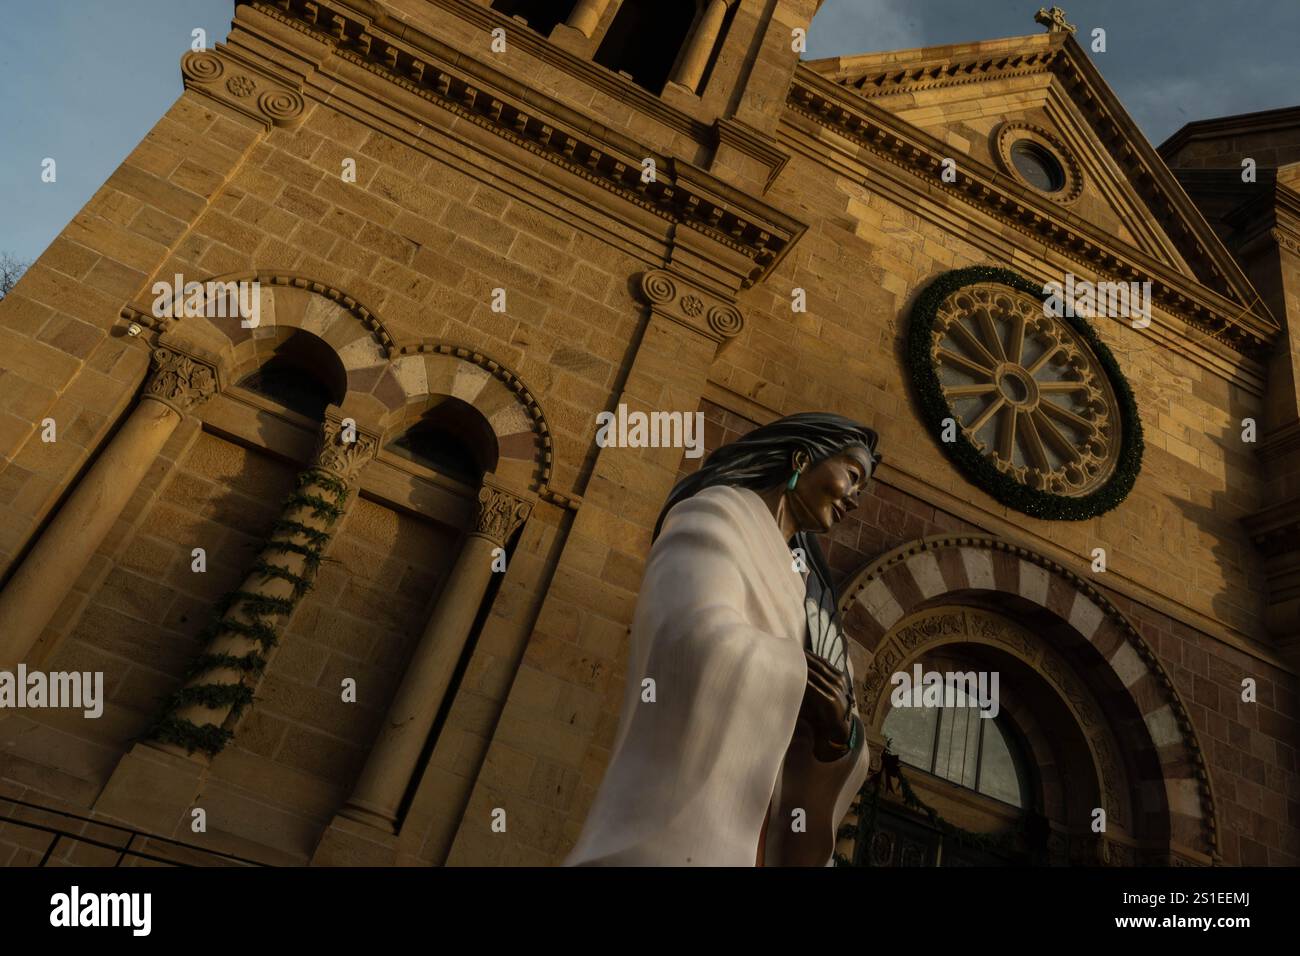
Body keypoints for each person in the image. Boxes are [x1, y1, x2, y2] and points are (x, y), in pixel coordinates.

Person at [565, 412, 881, 866]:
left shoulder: (808, 585)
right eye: (852, 477)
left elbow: (834, 715)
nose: (854, 499)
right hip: (673, 837)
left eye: (862, 488)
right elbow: (689, 639)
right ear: (801, 457)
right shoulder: (715, 514)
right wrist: (795, 676)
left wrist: (838, 738)